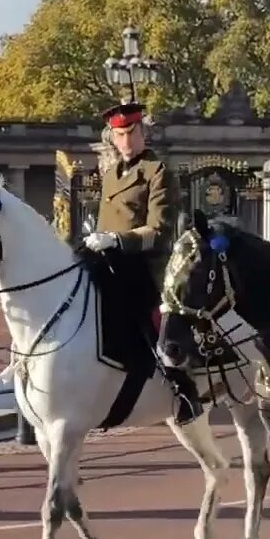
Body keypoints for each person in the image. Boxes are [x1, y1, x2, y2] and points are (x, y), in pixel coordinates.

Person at [82, 101, 203, 425]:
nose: (123, 141)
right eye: (118, 135)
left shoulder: (157, 171)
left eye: (129, 133)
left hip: (143, 264)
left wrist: (119, 240)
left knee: (145, 314)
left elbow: (160, 230)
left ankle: (182, 385)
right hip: (108, 260)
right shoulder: (109, 175)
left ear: (142, 132)